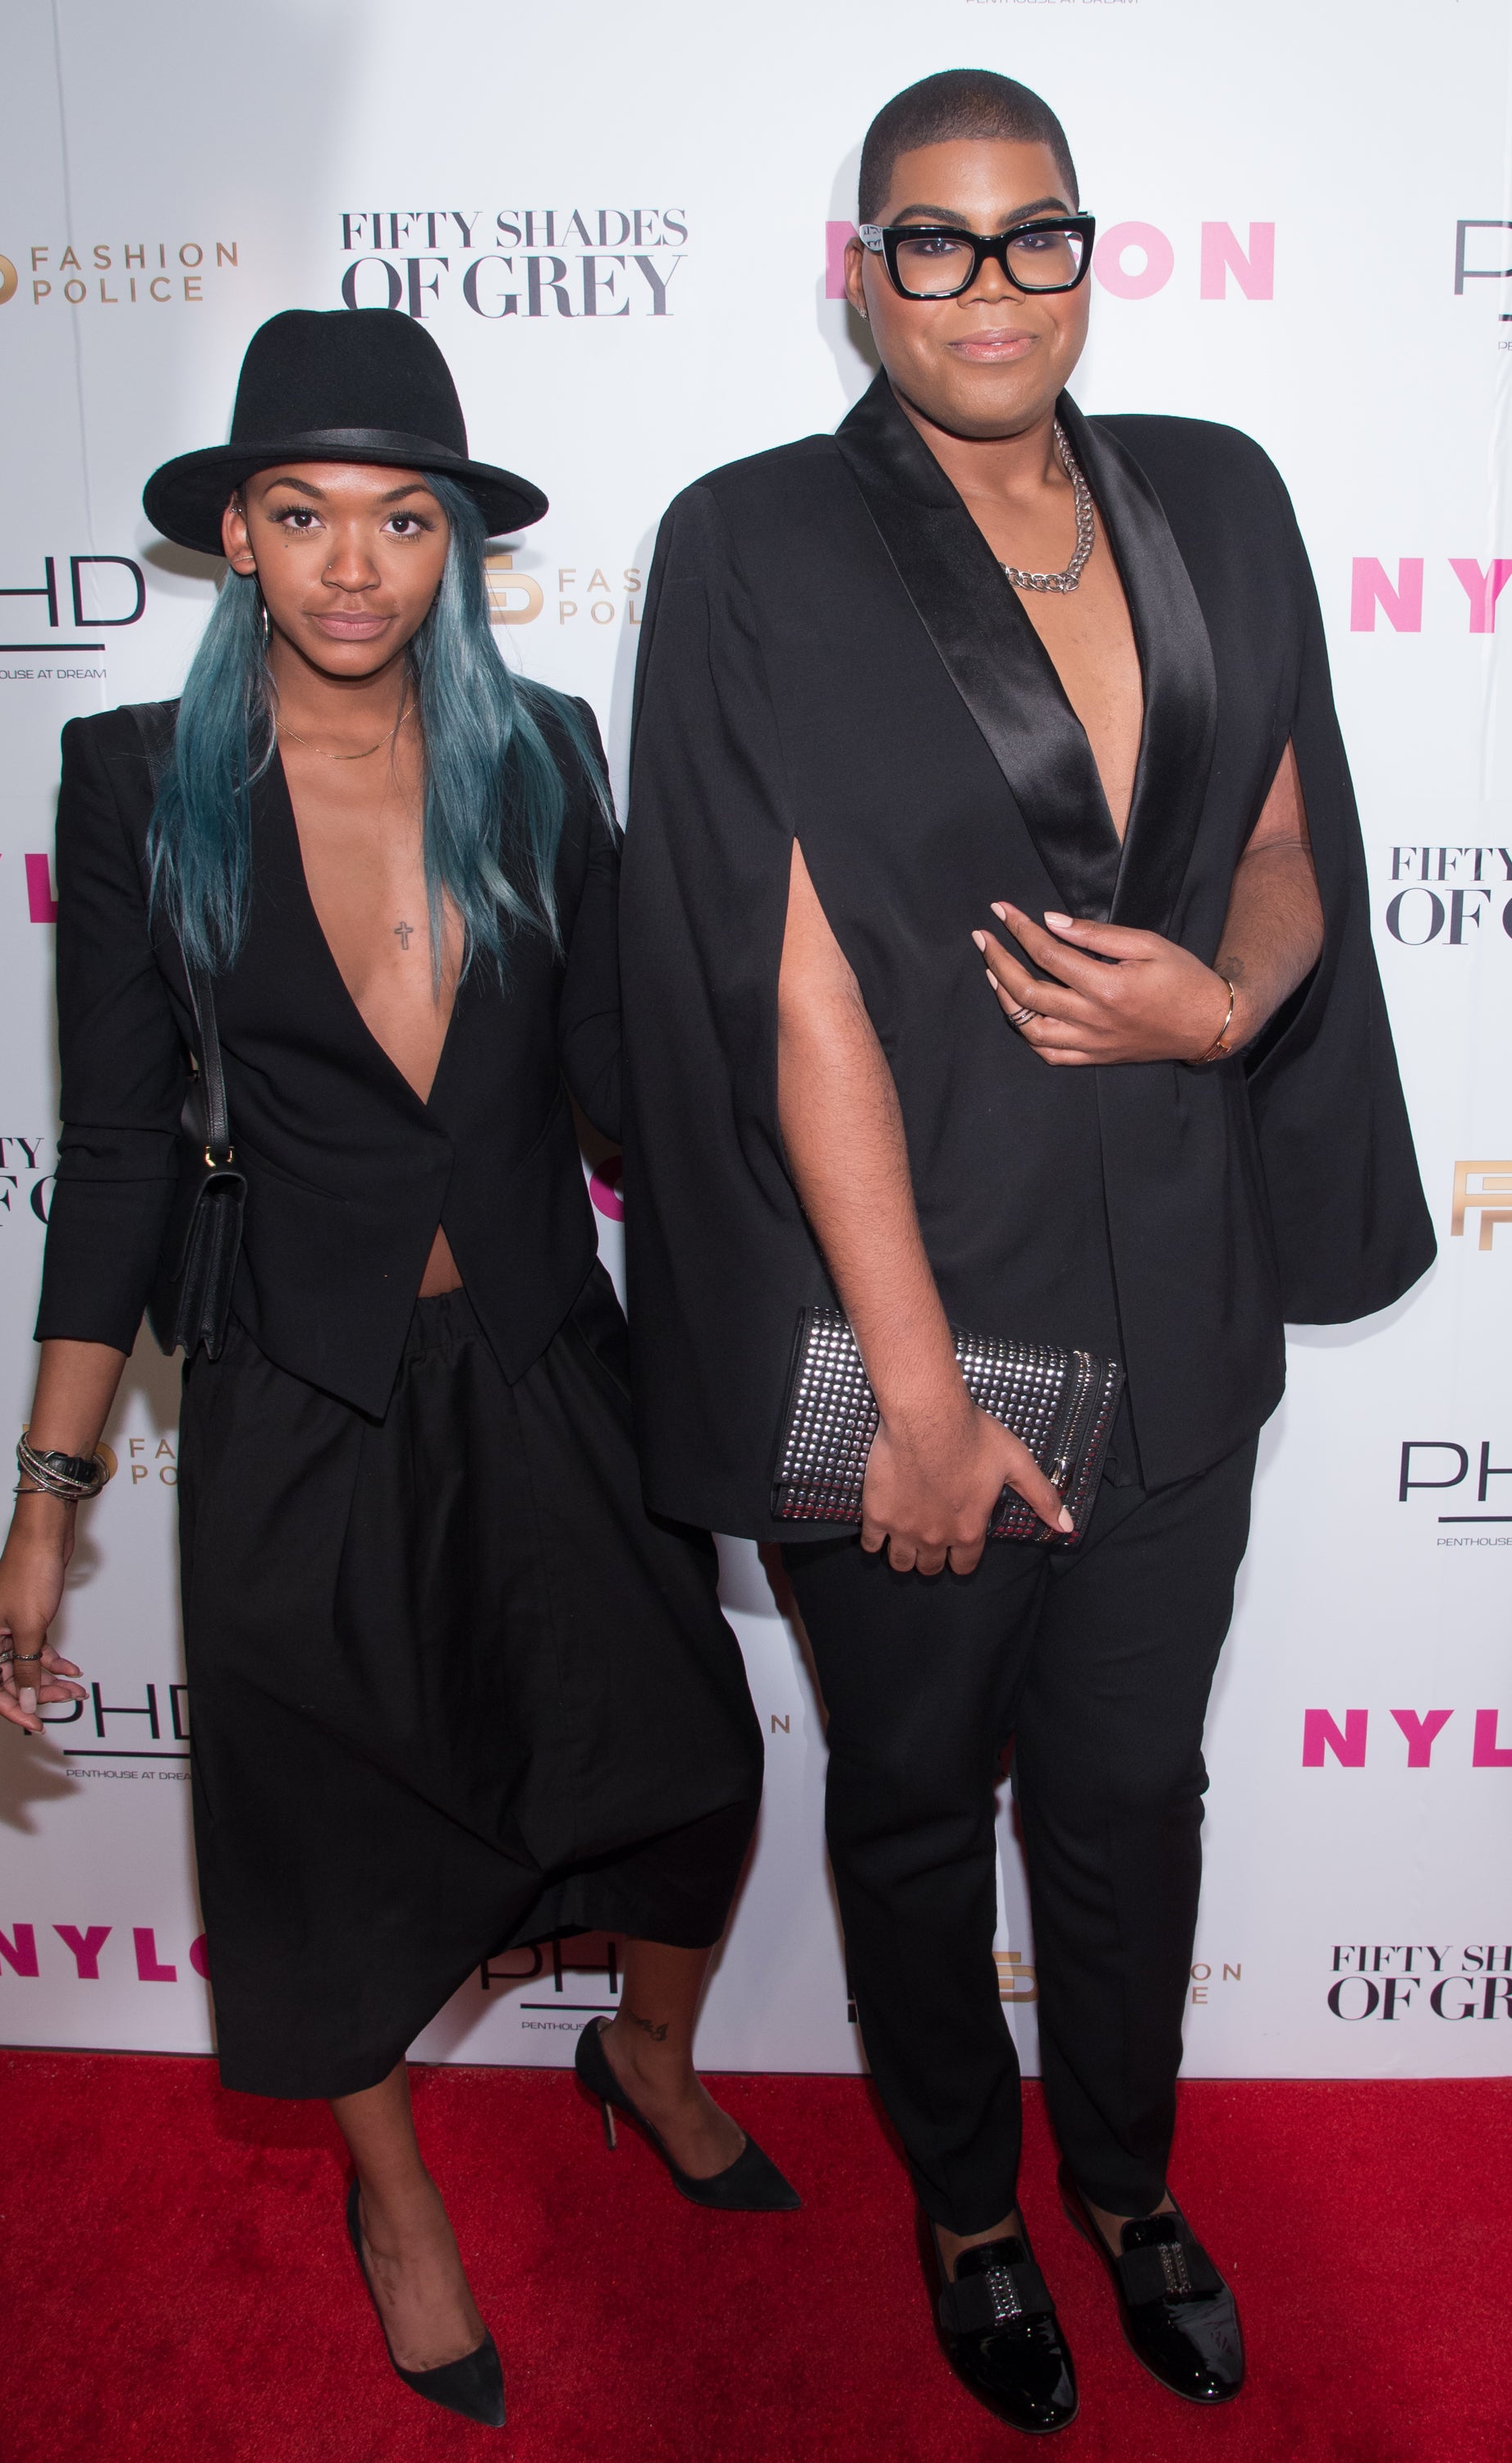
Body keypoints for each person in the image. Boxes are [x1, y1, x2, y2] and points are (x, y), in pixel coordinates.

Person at [620, 70, 1433, 2436]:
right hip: (914, 1317)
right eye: (934, 239)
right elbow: (783, 986)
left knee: (1128, 1794)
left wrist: (1229, 999)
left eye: (1032, 233)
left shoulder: (1218, 494)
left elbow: (1281, 836)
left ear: (1088, 249)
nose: (990, 286)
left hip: (1176, 1298)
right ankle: (970, 2212)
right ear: (861, 267)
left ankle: (1126, 2181)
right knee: (906, 1803)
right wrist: (913, 1391)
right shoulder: (755, 543)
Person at [0, 307, 795, 2433]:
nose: (354, 563)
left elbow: (626, 1095)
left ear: (457, 546)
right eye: (304, 513)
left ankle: (646, 2055)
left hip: (545, 1357)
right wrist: (44, 1516)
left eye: (403, 518)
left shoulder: (549, 759)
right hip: (296, 1390)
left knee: (692, 1757)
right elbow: (117, 1154)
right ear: (237, 535)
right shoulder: (137, 782)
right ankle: (395, 2199)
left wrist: (814, 1080)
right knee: (315, 1834)